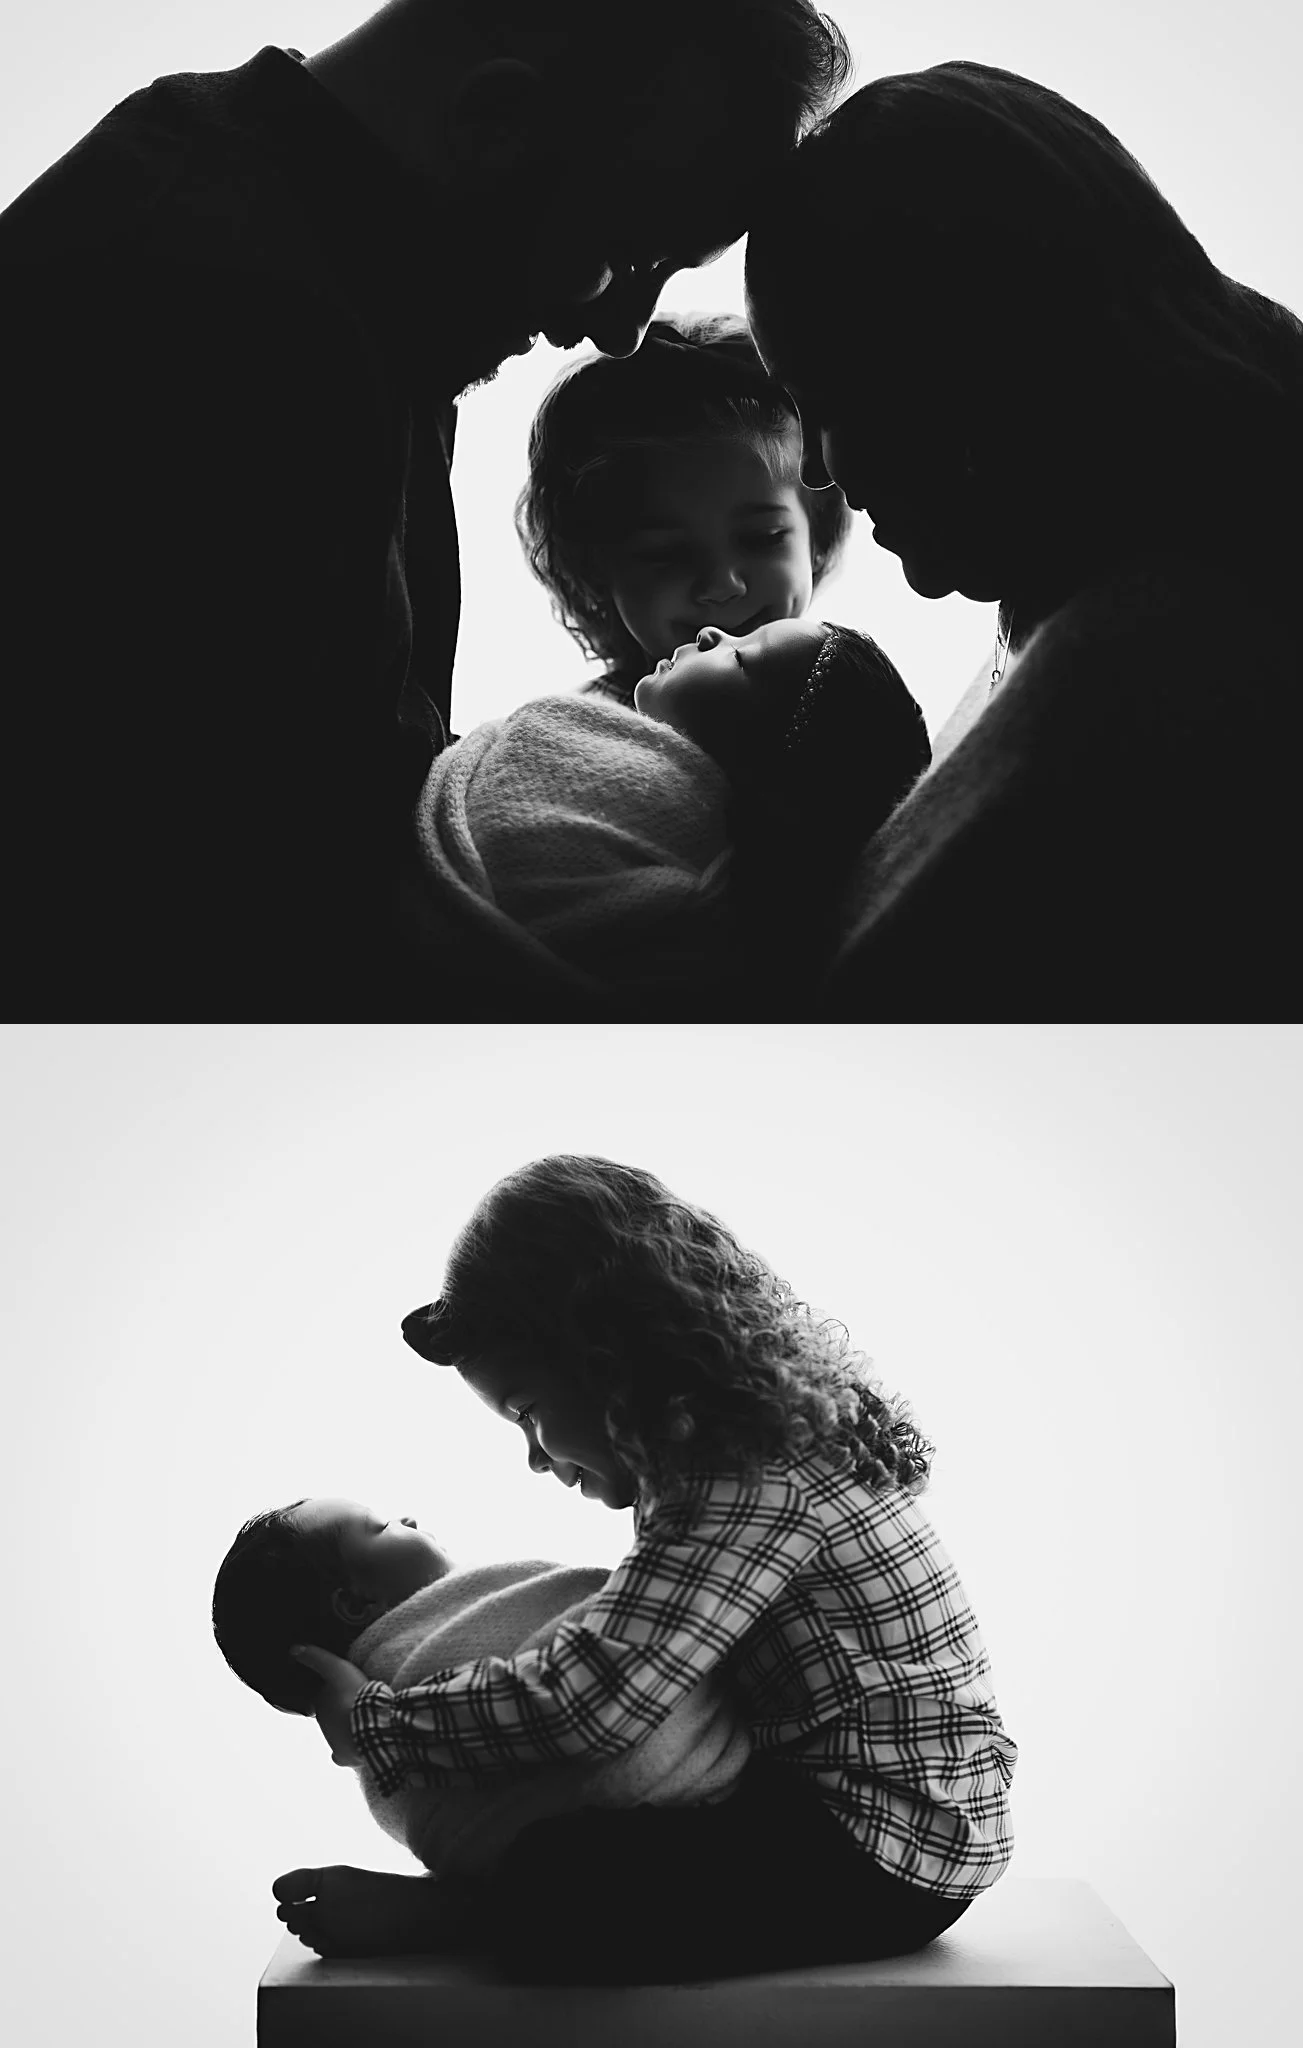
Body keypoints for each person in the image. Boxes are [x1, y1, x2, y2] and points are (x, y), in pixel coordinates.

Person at [0, 0, 850, 1016]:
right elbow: (238, 907)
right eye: (626, 251)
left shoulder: (350, 289)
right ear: (495, 117)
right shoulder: (217, 318)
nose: (622, 329)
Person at [277, 1156, 1017, 1984]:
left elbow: (592, 1701)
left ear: (602, 1356)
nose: (534, 1458)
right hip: (837, 1804)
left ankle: (454, 1918)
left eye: (526, 1412)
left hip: (883, 1847)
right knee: (602, 1830)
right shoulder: (729, 1447)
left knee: (575, 1871)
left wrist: (375, 1726)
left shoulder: (740, 1474)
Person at [744, 60, 1303, 1016]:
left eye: (823, 396)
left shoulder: (1160, 687)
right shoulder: (1083, 587)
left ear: (951, 367)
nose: (818, 473)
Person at [213, 1498, 748, 1897]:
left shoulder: (389, 1704)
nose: (410, 1518)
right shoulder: (414, 1667)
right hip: (666, 1827)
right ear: (356, 1601)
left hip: (577, 1872)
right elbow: (582, 1687)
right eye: (381, 1527)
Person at [411, 616, 930, 1015]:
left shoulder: (699, 865)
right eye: (737, 635)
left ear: (761, 763)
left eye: (743, 657)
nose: (711, 634)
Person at [515, 313, 852, 706]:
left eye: (763, 538)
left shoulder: (851, 716)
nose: (723, 585)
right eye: (668, 554)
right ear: (594, 565)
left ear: (818, 532)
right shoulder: (569, 739)